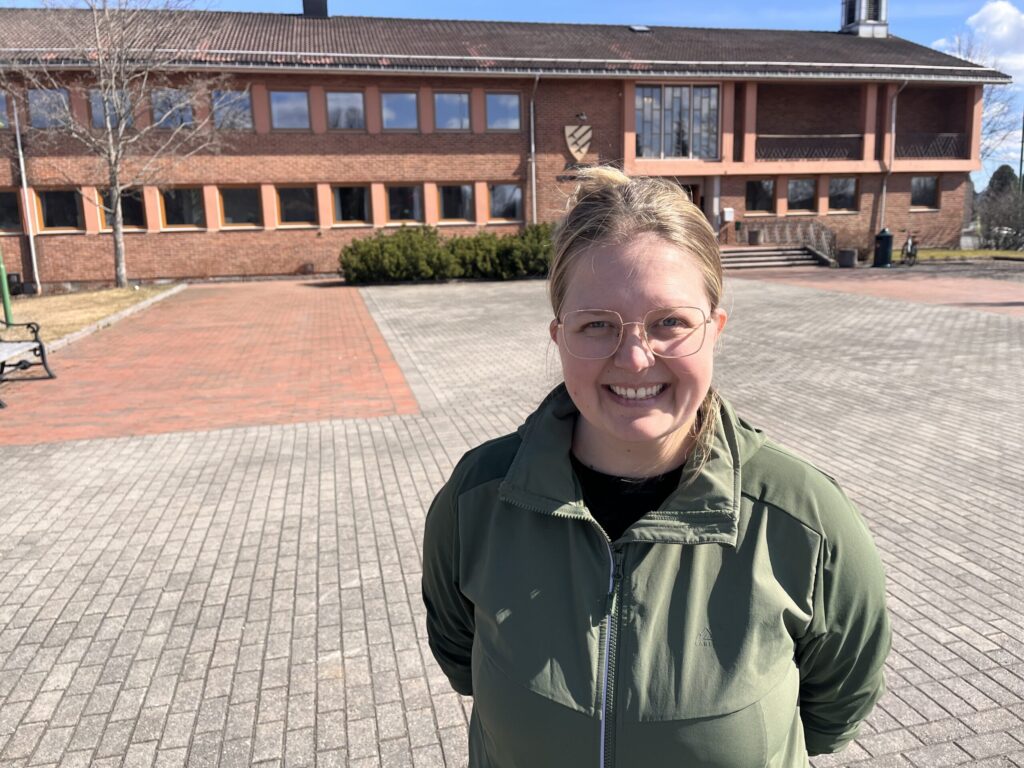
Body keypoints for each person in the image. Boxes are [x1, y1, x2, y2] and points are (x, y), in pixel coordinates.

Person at [422, 166, 891, 767]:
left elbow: (836, 705)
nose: (636, 358)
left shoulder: (804, 518)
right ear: (559, 336)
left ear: (715, 330)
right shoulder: (479, 498)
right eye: (597, 325)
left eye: (670, 322)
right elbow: (462, 658)